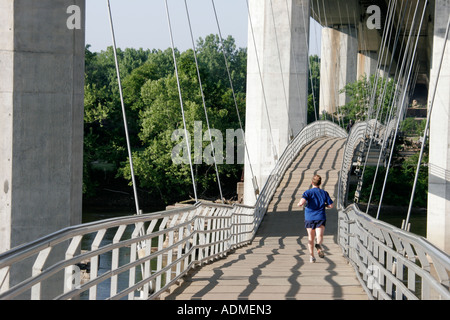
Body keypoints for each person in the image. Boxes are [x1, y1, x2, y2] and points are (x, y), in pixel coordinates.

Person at [297, 175, 333, 263]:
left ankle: (312, 256)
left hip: (309, 217)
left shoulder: (307, 192)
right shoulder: (324, 193)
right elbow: (331, 206)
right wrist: (324, 205)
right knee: (319, 235)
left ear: (312, 183)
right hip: (320, 217)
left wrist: (299, 204)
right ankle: (319, 245)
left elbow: (302, 202)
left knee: (310, 237)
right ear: (320, 183)